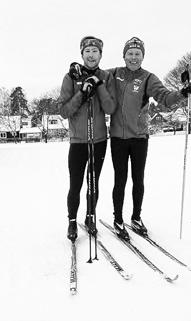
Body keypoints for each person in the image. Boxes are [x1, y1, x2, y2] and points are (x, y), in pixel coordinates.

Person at [107, 37, 191, 240]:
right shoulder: (114, 74)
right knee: (119, 180)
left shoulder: (148, 78)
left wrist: (182, 92)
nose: (133, 57)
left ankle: (136, 217)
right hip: (118, 139)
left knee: (138, 179)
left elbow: (164, 97)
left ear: (143, 56)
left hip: (139, 137)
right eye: (130, 53)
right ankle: (118, 219)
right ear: (124, 55)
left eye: (138, 54)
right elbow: (95, 76)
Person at [58, 36, 116, 242]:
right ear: (82, 54)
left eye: (95, 51)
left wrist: (97, 84)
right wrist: (82, 93)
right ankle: (72, 220)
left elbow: (110, 108)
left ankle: (90, 216)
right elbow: (64, 111)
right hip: (78, 141)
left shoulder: (107, 76)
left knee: (93, 182)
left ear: (101, 54)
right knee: (75, 184)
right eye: (88, 51)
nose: (91, 55)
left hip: (99, 139)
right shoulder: (71, 77)